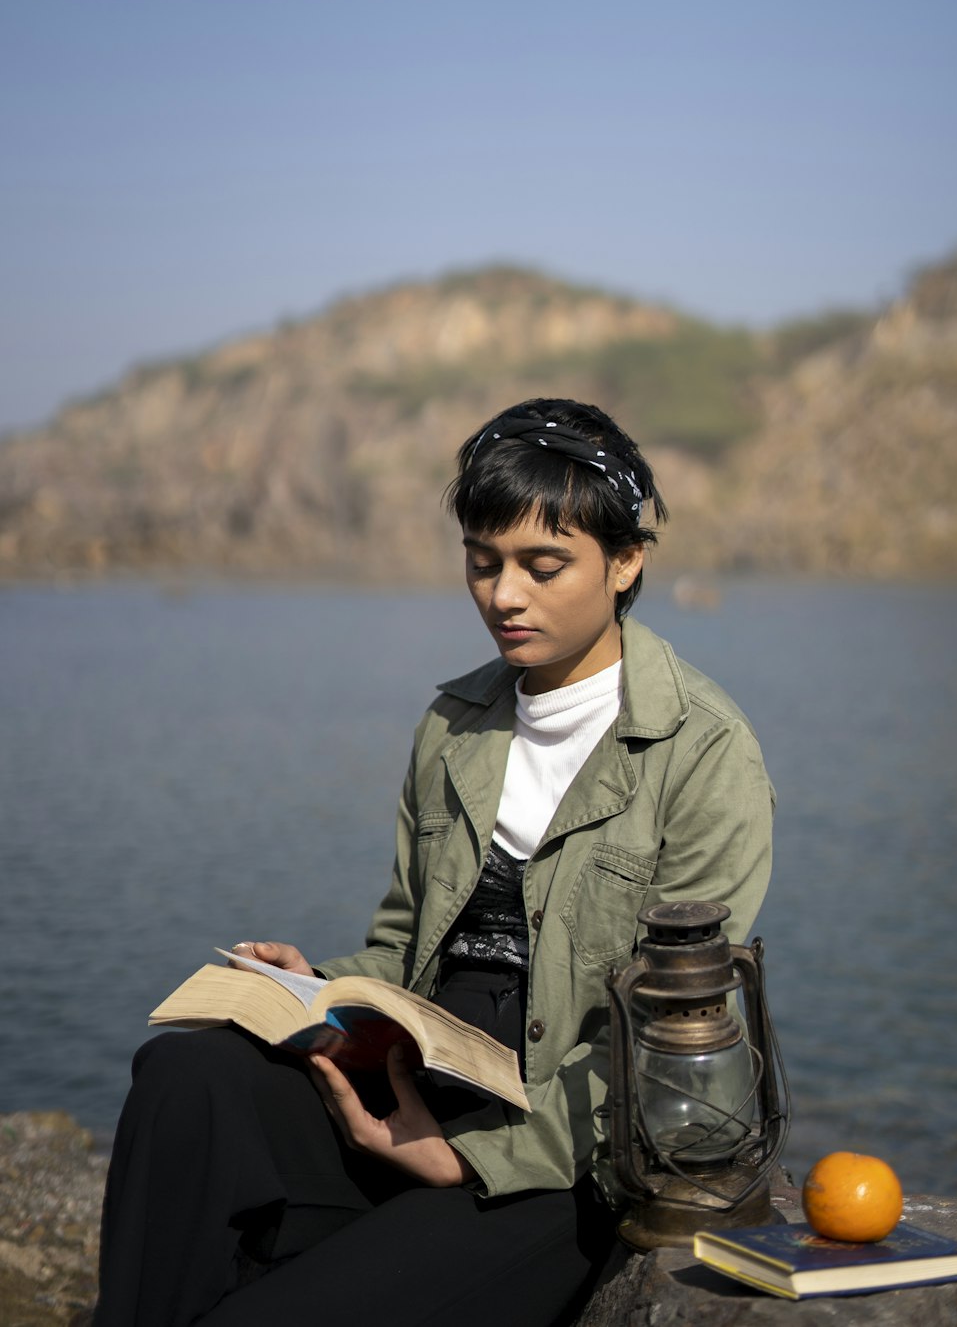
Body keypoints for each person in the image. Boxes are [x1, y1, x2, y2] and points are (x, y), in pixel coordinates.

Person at [93, 398, 774, 1327]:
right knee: (183, 1080)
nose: (503, 595)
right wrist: (322, 993)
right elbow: (406, 944)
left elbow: (667, 1043)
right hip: (421, 1082)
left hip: (565, 1156)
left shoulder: (702, 752)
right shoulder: (455, 724)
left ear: (625, 562)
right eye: (482, 562)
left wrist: (469, 1161)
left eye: (544, 566)